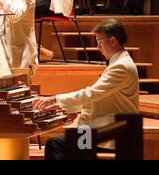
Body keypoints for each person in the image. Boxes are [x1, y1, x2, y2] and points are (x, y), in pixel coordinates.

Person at [33, 19, 139, 160]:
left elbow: (91, 94)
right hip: (106, 130)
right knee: (62, 144)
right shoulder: (119, 62)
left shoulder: (121, 67)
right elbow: (99, 97)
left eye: (99, 42)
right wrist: (60, 107)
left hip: (112, 134)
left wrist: (54, 99)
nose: (97, 47)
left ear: (112, 41)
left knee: (55, 145)